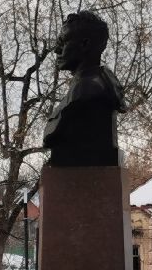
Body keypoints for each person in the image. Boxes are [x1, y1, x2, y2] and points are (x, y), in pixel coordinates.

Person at [42, 10, 126, 166]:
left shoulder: (90, 89)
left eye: (63, 42)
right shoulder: (87, 85)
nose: (56, 50)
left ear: (85, 44)